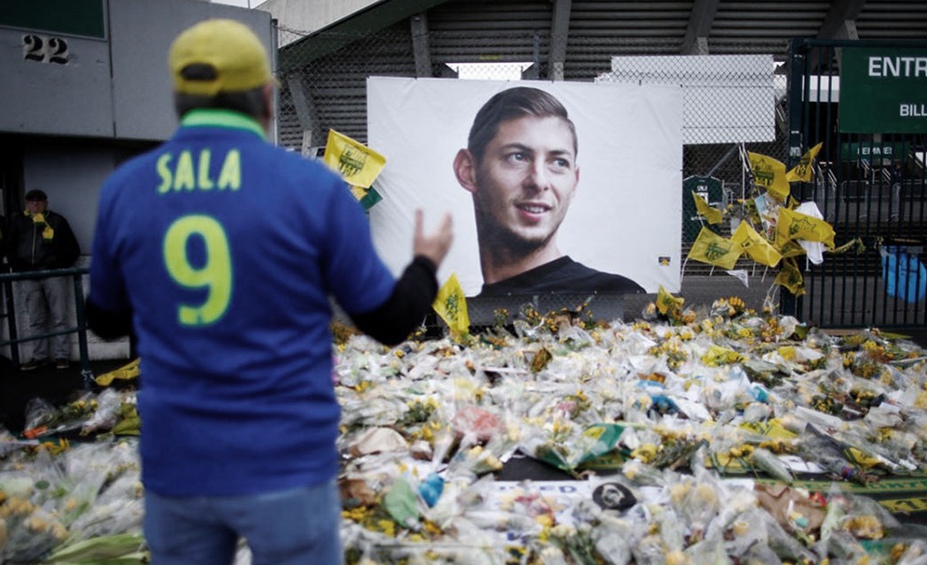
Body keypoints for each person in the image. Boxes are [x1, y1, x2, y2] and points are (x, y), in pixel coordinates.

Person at [85, 19, 452, 565]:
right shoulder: (313, 188)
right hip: (285, 460)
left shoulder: (125, 189)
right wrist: (426, 260)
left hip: (177, 461)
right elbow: (390, 321)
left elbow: (105, 321)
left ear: (179, 98)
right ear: (264, 97)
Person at [453, 86, 644, 296]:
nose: (539, 181)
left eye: (559, 162)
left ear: (575, 182)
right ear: (468, 171)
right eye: (517, 157)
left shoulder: (614, 297)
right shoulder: (452, 316)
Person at [6, 189, 80, 370]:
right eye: (32, 201)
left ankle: (62, 355)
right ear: (26, 203)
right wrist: (19, 268)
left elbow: (73, 249)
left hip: (52, 274)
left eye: (39, 201)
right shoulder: (19, 222)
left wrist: (57, 265)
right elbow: (10, 247)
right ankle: (40, 356)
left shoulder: (57, 221)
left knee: (59, 315)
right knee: (36, 318)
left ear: (46, 202)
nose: (36, 204)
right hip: (29, 275)